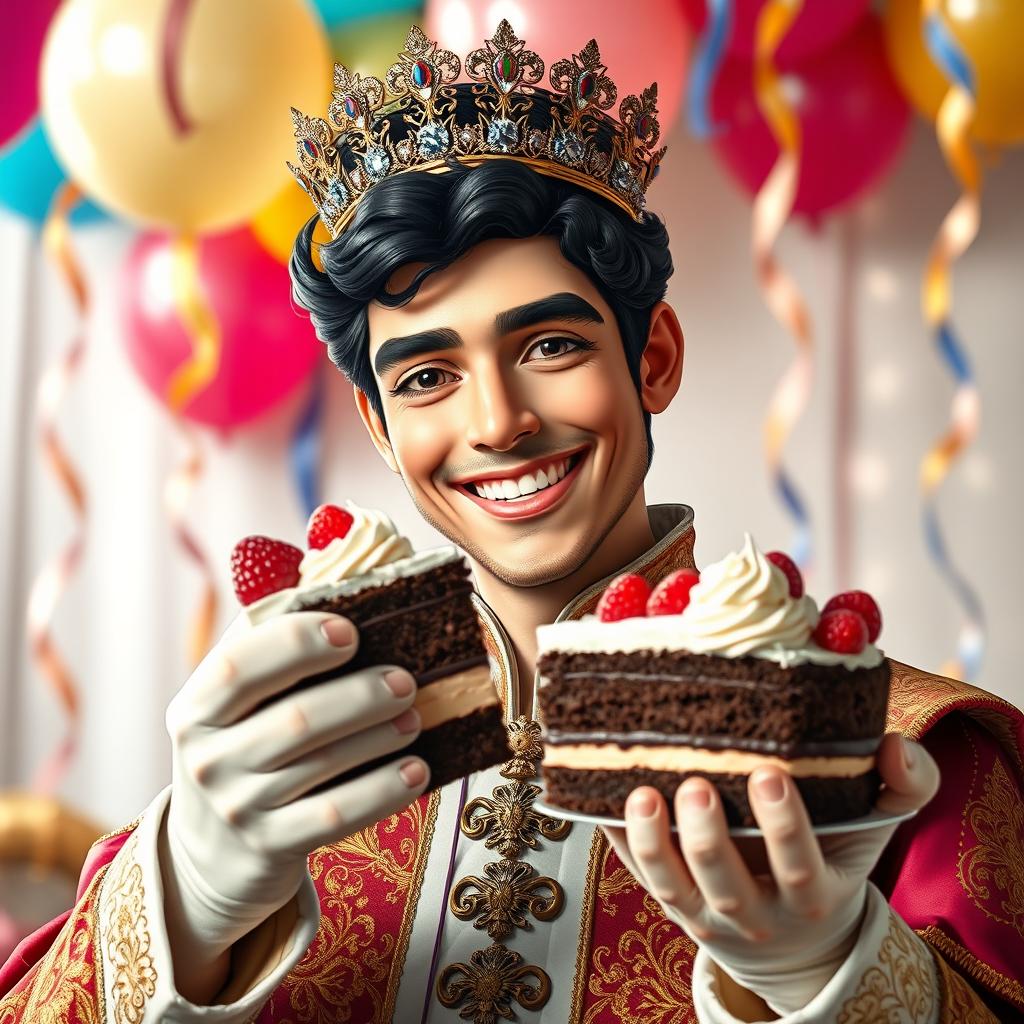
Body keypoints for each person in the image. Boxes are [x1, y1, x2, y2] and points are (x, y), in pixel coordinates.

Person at [2, 20, 1023, 1024]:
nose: (496, 423)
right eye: (429, 375)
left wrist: (835, 977)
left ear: (654, 357)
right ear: (380, 423)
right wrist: (183, 894)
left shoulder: (916, 757)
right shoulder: (282, 750)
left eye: (547, 347)